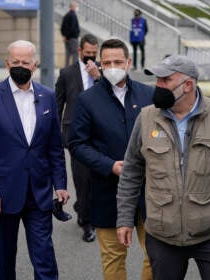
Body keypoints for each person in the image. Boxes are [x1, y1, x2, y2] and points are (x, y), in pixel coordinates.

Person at [117, 55, 210, 280]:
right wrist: (124, 219)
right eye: (158, 80)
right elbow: (131, 172)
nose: (158, 86)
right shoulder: (146, 119)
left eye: (165, 80)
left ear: (188, 85)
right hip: (162, 235)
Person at [0, 40, 70, 280]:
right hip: (2, 195)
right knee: (5, 259)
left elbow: (54, 146)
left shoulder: (46, 97)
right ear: (7, 63)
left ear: (35, 65)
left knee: (44, 256)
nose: (20, 66)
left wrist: (61, 184)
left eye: (25, 62)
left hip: (39, 192)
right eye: (15, 62)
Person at [68, 38, 153, 280]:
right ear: (99, 64)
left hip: (150, 191)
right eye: (106, 62)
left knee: (156, 255)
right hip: (108, 191)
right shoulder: (88, 100)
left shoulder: (149, 95)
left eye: (117, 61)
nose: (112, 66)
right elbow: (77, 143)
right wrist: (109, 165)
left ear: (129, 62)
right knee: (113, 259)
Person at [55, 33, 101, 243]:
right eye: (87, 54)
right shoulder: (67, 73)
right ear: (80, 51)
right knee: (82, 179)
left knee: (97, 179)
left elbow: (115, 97)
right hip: (76, 135)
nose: (91, 58)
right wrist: (55, 133)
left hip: (101, 134)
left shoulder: (104, 71)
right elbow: (58, 104)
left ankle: (84, 207)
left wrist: (99, 77)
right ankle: (87, 222)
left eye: (94, 53)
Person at [60, 1, 80, 67]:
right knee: (75, 53)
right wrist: (69, 36)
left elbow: (62, 27)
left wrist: (64, 36)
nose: (76, 8)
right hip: (73, 38)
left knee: (68, 54)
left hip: (67, 39)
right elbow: (73, 28)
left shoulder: (66, 15)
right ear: (72, 6)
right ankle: (74, 68)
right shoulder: (73, 15)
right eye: (76, 6)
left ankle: (66, 68)